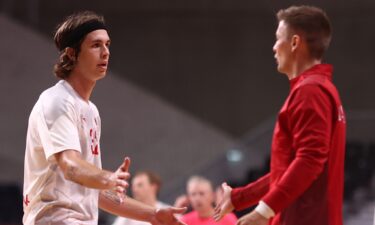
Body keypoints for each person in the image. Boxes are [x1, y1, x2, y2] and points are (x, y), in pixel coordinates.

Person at [23, 11, 186, 225]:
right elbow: (71, 167)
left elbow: (95, 192)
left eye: (107, 44)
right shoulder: (57, 100)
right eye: (96, 45)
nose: (106, 52)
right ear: (72, 54)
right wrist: (108, 178)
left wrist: (153, 215)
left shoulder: (91, 111)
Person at [214, 5, 346, 225]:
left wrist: (262, 212)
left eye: (278, 39)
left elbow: (309, 160)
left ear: (294, 43)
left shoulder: (310, 91)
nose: (274, 47)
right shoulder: (318, 88)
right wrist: (240, 197)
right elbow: (287, 170)